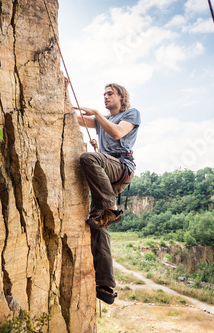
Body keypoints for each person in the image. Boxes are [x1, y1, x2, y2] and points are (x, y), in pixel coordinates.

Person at [66, 79, 141, 304]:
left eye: (110, 94)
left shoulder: (131, 114)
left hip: (121, 168)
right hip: (108, 177)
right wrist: (63, 90)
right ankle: (106, 286)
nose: (106, 97)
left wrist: (98, 113)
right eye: (104, 94)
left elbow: (118, 133)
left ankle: (111, 207)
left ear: (121, 97)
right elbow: (74, 118)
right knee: (98, 225)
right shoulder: (102, 120)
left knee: (88, 157)